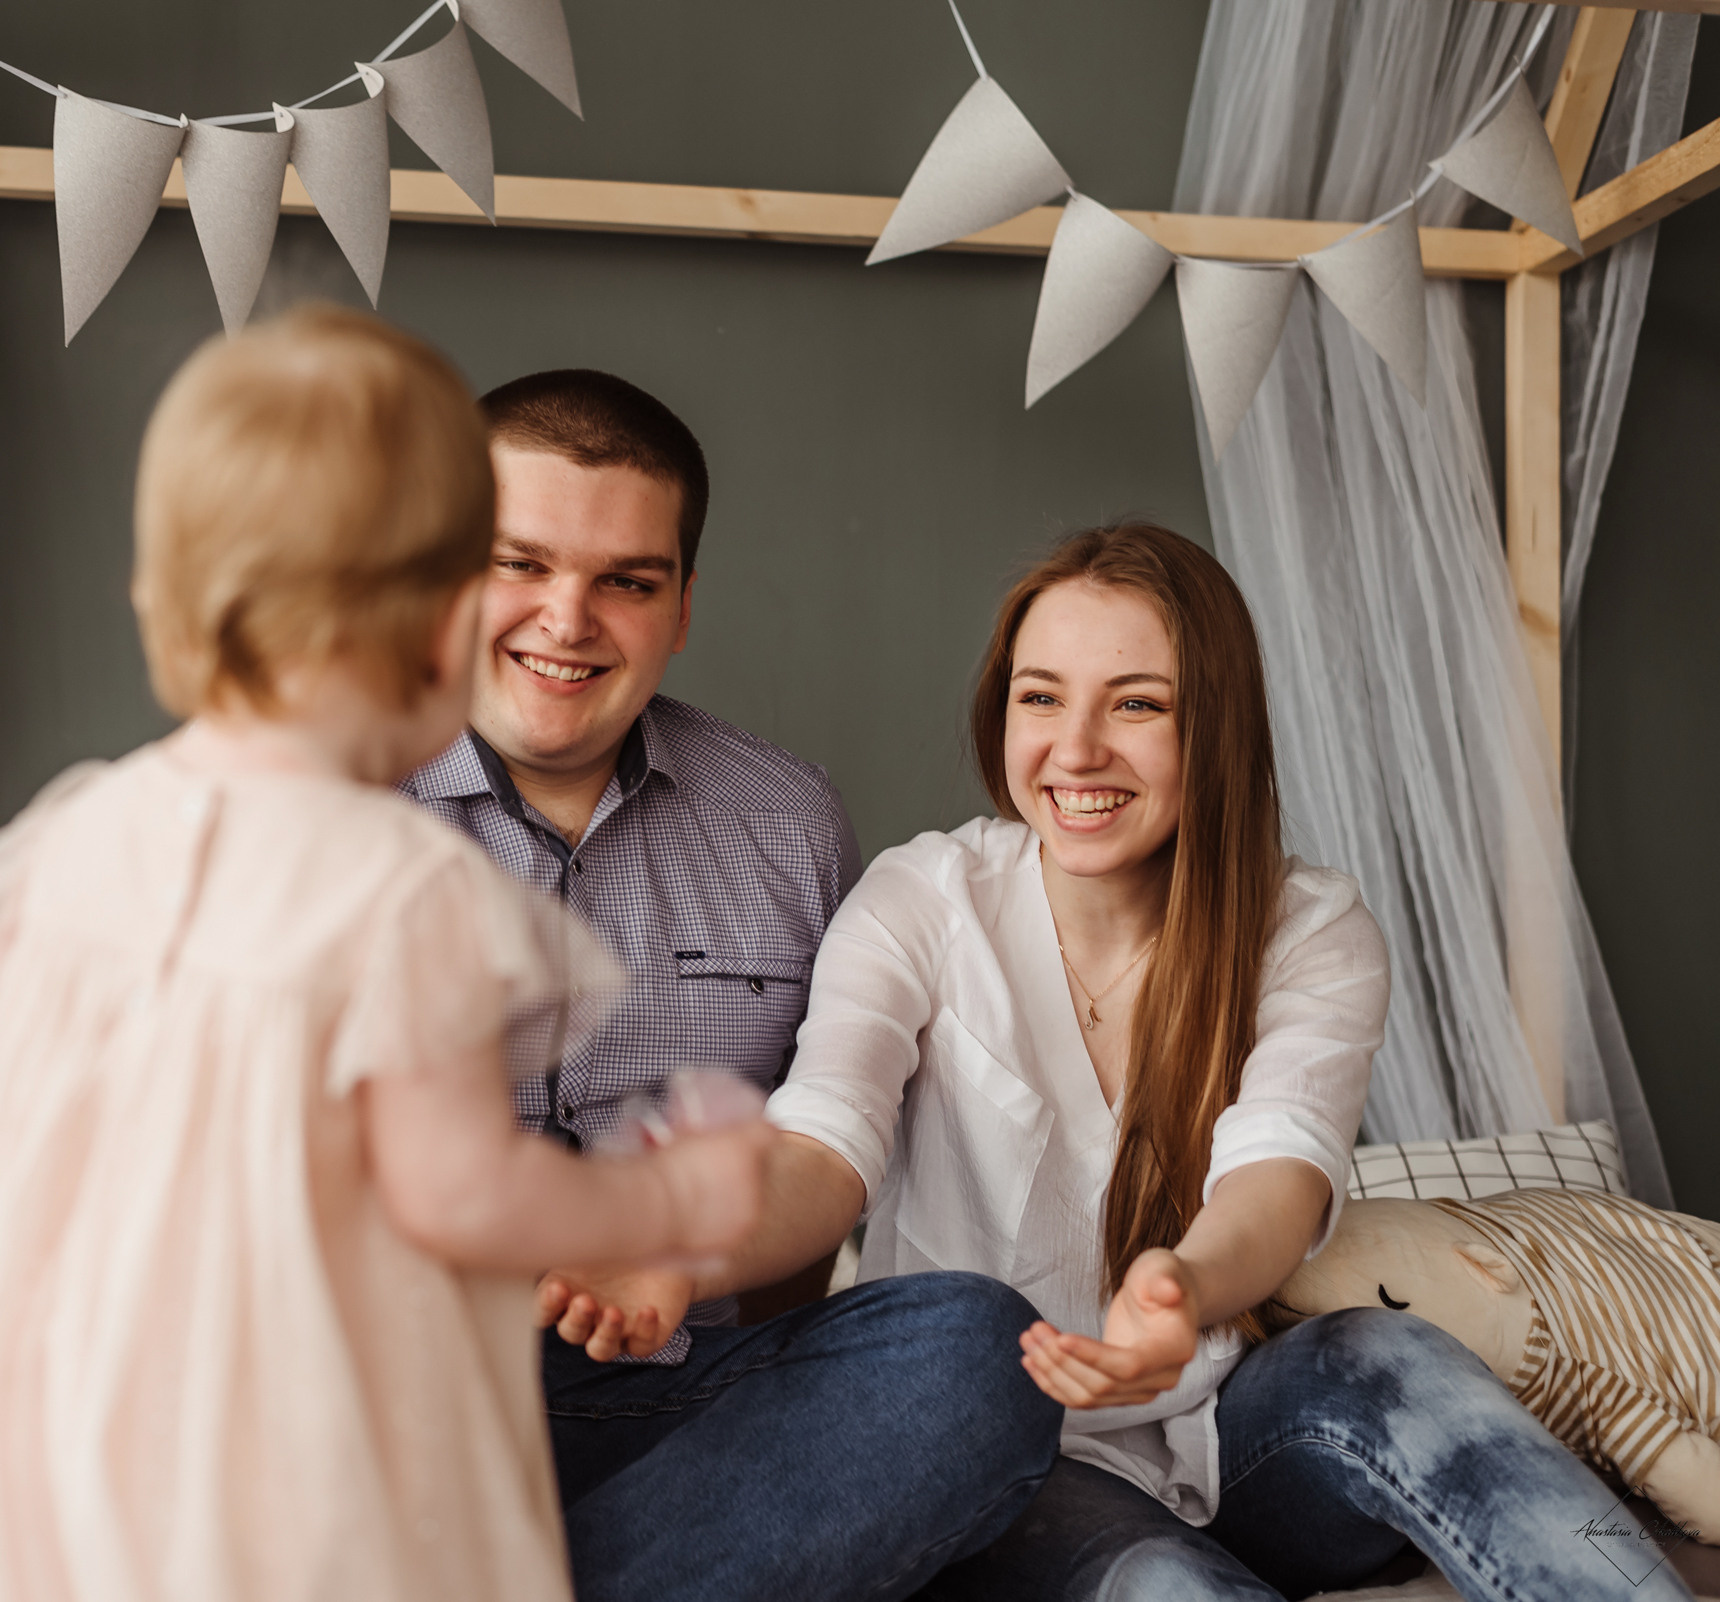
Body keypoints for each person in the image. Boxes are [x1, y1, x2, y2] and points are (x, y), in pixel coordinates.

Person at [629, 521, 1682, 1601]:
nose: (1077, 749)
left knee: (1394, 1354)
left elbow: (1279, 1173)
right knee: (1171, 1583)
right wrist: (687, 1252)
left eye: (1136, 705)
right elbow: (823, 1143)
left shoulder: (1311, 927)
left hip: (1236, 1428)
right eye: (1041, 698)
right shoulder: (922, 901)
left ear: (1215, 725)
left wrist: (1185, 1288)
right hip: (1017, 1452)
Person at [0, 309, 776, 1602]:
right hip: (285, 1480)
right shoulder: (398, 887)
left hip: (55, 1458)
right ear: (444, 622)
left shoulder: (82, 831)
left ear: (166, 596)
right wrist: (667, 1206)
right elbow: (463, 1194)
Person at [405, 370, 1064, 1602]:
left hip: (673, 1408)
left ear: (682, 607)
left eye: (626, 582)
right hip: (391, 1410)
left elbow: (808, 1176)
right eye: (519, 565)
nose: (567, 620)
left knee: (983, 1354)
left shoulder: (788, 824)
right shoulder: (308, 806)